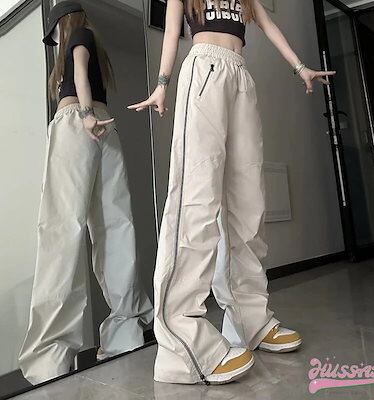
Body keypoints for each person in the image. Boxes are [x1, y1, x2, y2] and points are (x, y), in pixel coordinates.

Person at [129, 0, 335, 385]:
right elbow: (172, 31)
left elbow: (267, 25)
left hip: (240, 75)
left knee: (248, 204)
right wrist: (162, 85)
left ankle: (250, 321)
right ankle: (181, 343)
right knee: (196, 199)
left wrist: (300, 67)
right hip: (203, 70)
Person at [19, 1, 153, 385]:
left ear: (62, 22)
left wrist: (84, 113)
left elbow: (78, 72)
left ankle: (50, 356)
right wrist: (94, 115)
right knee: (115, 225)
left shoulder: (78, 34)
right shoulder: (96, 42)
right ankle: (125, 332)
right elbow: (88, 76)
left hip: (78, 123)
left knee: (62, 230)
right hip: (105, 130)